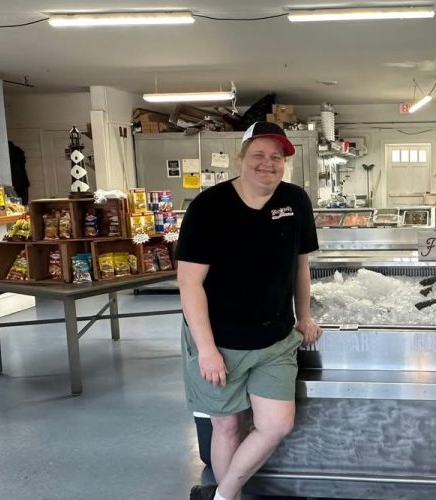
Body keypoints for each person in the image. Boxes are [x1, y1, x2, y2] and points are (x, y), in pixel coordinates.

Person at [177, 121, 322, 500]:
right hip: (220, 340)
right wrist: (206, 349)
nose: (267, 163)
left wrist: (303, 315)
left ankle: (221, 496)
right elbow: (189, 282)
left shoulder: (296, 200)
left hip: (275, 338)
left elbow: (300, 265)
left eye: (277, 157)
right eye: (258, 154)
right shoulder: (209, 206)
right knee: (226, 428)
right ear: (242, 157)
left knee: (276, 424)